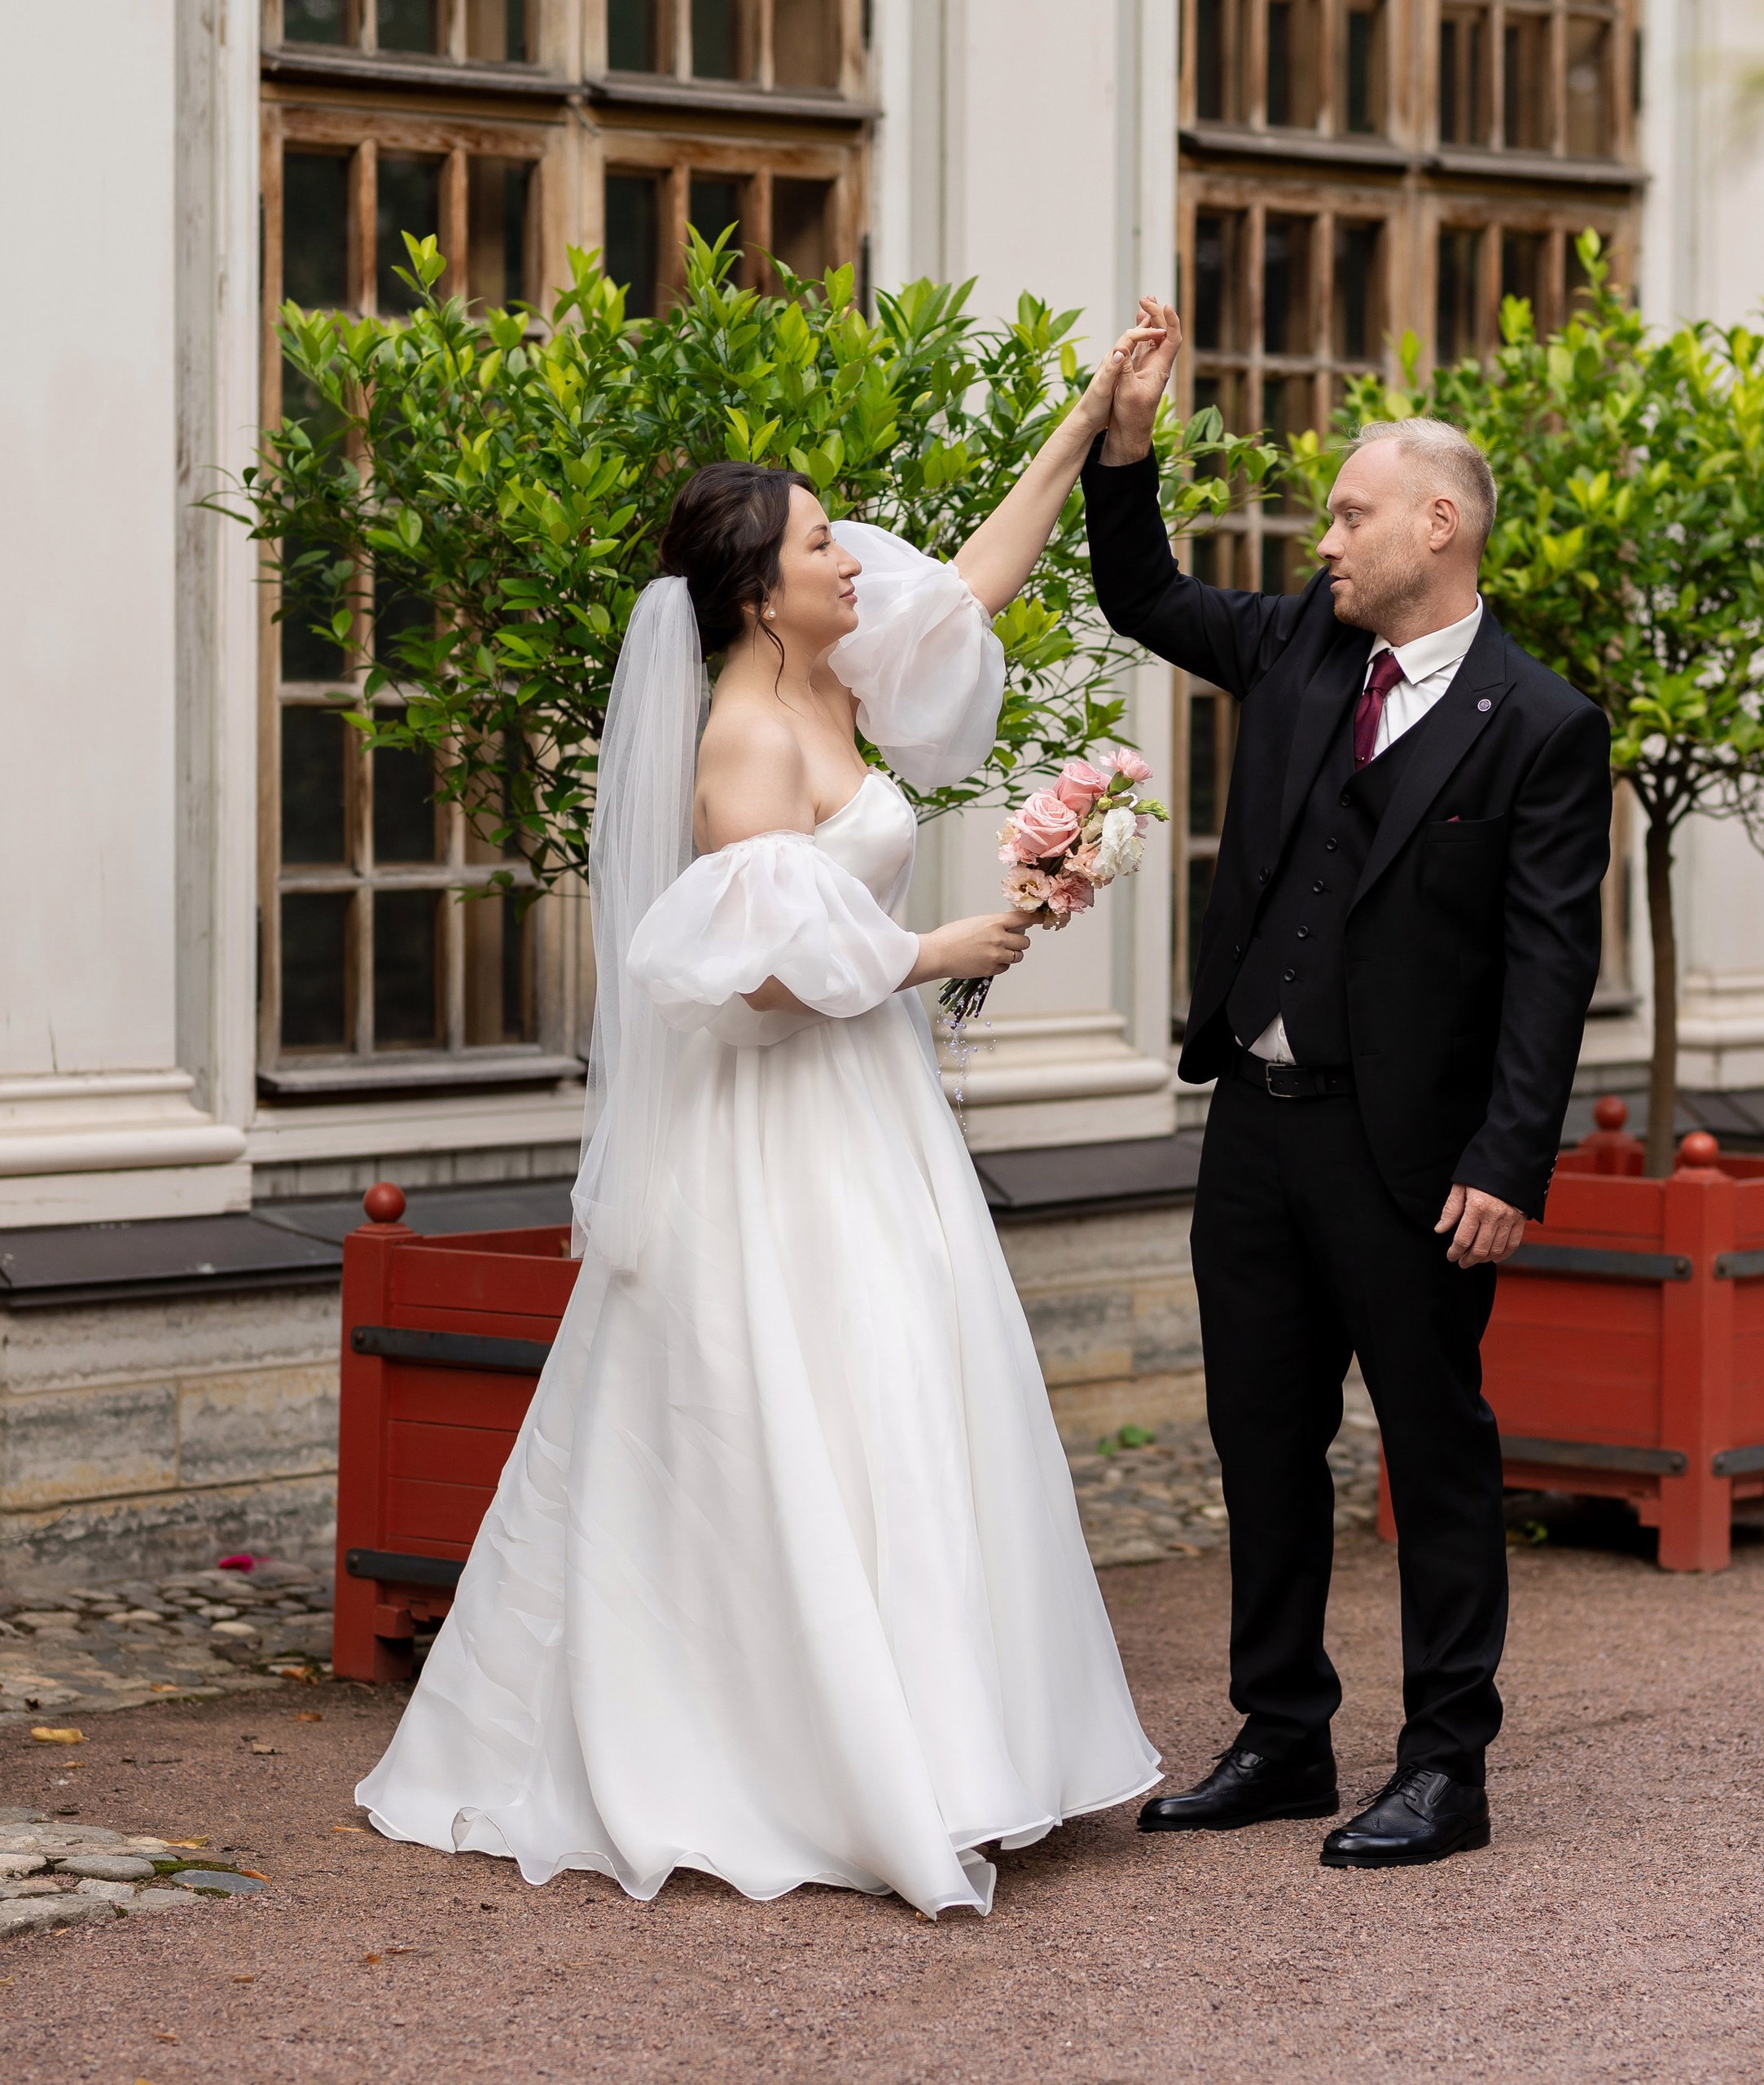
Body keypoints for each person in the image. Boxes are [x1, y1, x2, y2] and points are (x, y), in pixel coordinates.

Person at [355, 322, 1170, 1920]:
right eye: (819, 545)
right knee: (806, 1402)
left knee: (908, 1390)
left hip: (871, 1115)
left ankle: (945, 1739)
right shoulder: (744, 739)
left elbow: (973, 585)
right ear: (754, 592)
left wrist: (1087, 420)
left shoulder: (831, 671)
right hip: (780, 1131)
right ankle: (807, 1757)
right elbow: (763, 975)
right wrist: (938, 948)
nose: (851, 560)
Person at [1081, 300, 1612, 1867]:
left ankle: (1448, 1764)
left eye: (1350, 514)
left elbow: (1550, 965)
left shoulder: (1545, 727)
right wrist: (1126, 441)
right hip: (1253, 1127)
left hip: (1416, 1160)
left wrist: (1509, 1160)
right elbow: (1142, 592)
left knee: (1434, 1453)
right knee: (1259, 1438)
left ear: (1438, 524)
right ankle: (1282, 1735)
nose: (1325, 539)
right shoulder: (1302, 646)